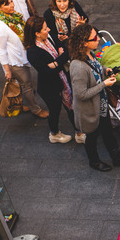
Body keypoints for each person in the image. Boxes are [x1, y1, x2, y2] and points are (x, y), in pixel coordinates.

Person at [69, 24, 120, 172]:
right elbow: (81, 94)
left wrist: (106, 70)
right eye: (94, 38)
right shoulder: (78, 66)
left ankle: (117, 158)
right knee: (92, 137)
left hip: (101, 105)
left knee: (108, 133)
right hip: (89, 110)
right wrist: (104, 85)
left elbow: (97, 66)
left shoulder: (90, 54)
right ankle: (94, 161)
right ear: (84, 42)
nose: (98, 39)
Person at [24, 16, 85, 144]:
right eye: (45, 28)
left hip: (62, 79)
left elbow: (58, 51)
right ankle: (54, 134)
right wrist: (61, 58)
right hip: (49, 87)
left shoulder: (47, 38)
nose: (49, 29)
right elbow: (47, 71)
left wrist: (55, 62)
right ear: (37, 33)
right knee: (55, 109)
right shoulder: (32, 52)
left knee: (70, 106)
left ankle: (79, 132)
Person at [0, 0, 48, 119]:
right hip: (15, 61)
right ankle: (35, 109)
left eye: (11, 2)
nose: (11, 5)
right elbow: (1, 50)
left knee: (24, 84)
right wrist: (7, 70)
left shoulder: (14, 16)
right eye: (6, 4)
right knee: (27, 85)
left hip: (23, 55)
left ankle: (23, 104)